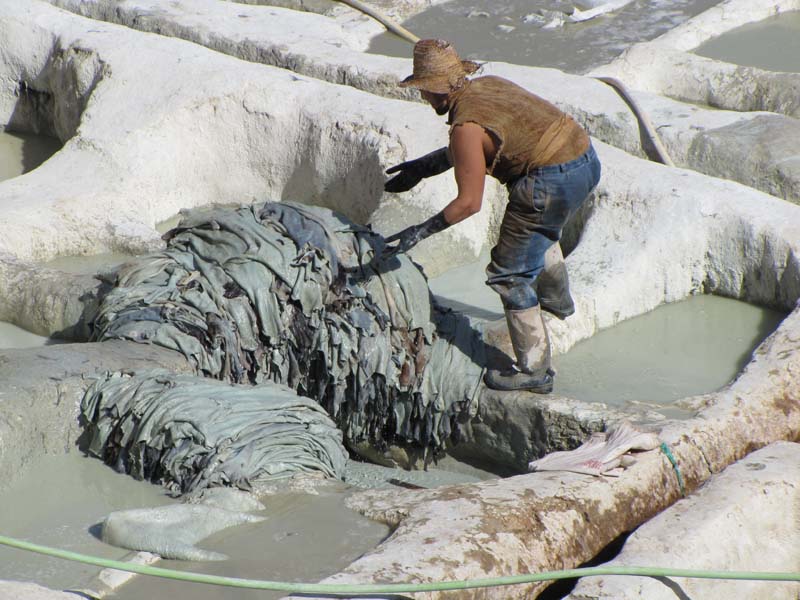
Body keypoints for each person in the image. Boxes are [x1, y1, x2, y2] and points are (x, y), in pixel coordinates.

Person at [383, 39, 601, 394]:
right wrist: (421, 168)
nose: (423, 98)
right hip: (584, 160)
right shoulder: (488, 86)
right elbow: (478, 146)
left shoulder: (464, 127)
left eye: (423, 91)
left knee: (508, 273)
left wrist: (418, 232)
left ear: (434, 90)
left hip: (549, 180)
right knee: (537, 232)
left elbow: (469, 202)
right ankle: (557, 302)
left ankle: (535, 371)